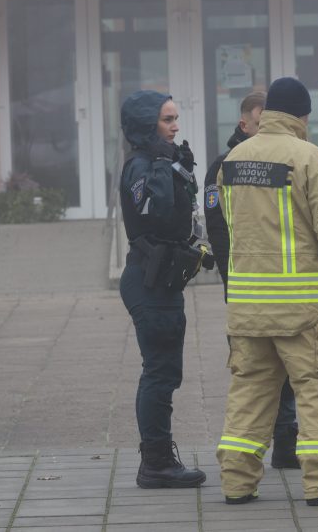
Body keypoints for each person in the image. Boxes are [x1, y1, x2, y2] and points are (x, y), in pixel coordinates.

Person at [215, 76, 318, 507]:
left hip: (248, 307)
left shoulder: (232, 160)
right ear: (303, 115)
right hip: (304, 308)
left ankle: (235, 481)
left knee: (249, 394)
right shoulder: (308, 157)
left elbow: (230, 229)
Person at [203, 91, 299, 470]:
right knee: (254, 373)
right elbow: (218, 228)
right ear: (244, 125)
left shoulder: (287, 157)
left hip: (286, 283)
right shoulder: (224, 166)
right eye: (260, 124)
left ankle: (287, 444)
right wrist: (233, 278)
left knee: (292, 366)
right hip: (247, 287)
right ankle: (248, 456)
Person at [118, 90, 207, 489]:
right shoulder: (142, 165)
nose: (175, 127)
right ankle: (155, 463)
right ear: (145, 125)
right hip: (149, 282)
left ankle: (157, 460)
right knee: (159, 373)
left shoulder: (161, 160)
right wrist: (162, 165)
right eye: (166, 120)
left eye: (175, 119)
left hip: (163, 280)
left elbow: (182, 218)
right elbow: (152, 212)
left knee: (165, 372)